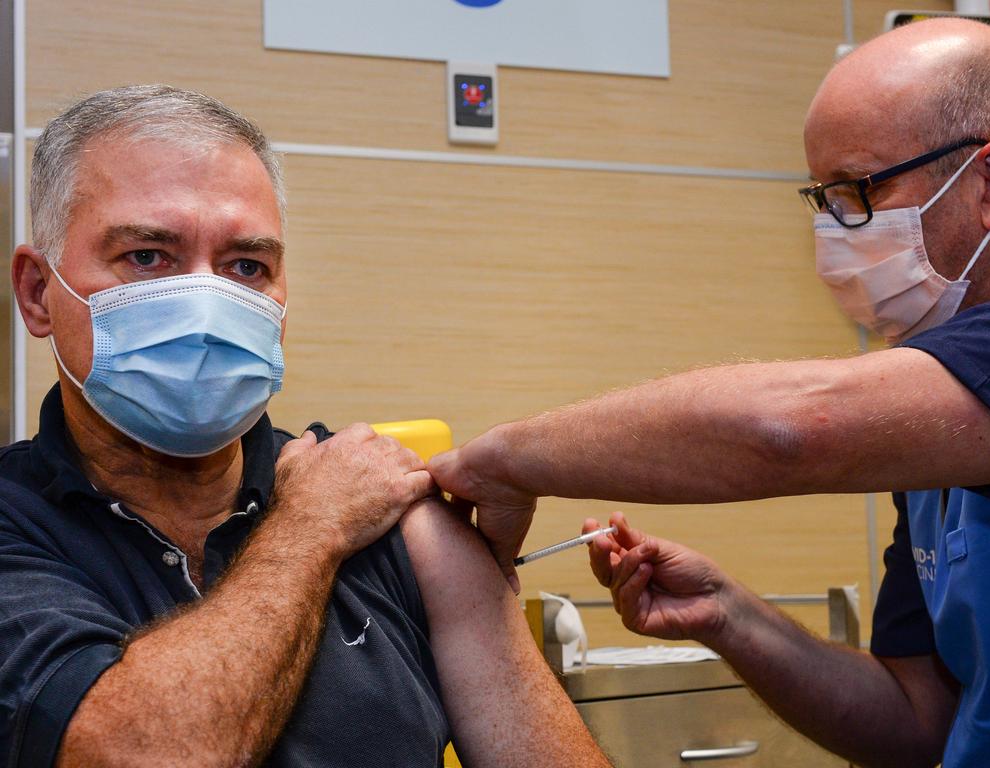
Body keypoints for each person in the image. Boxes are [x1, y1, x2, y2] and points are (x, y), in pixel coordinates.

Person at [429, 17, 990, 768]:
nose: (836, 230)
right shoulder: (939, 413)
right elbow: (918, 724)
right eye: (824, 197)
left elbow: (790, 430)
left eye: (858, 191)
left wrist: (505, 461)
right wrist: (726, 612)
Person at [0, 85, 610, 768]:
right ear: (36, 292)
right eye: (148, 256)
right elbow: (139, 756)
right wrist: (312, 526)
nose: (209, 303)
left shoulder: (389, 512)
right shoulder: (341, 504)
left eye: (246, 267)